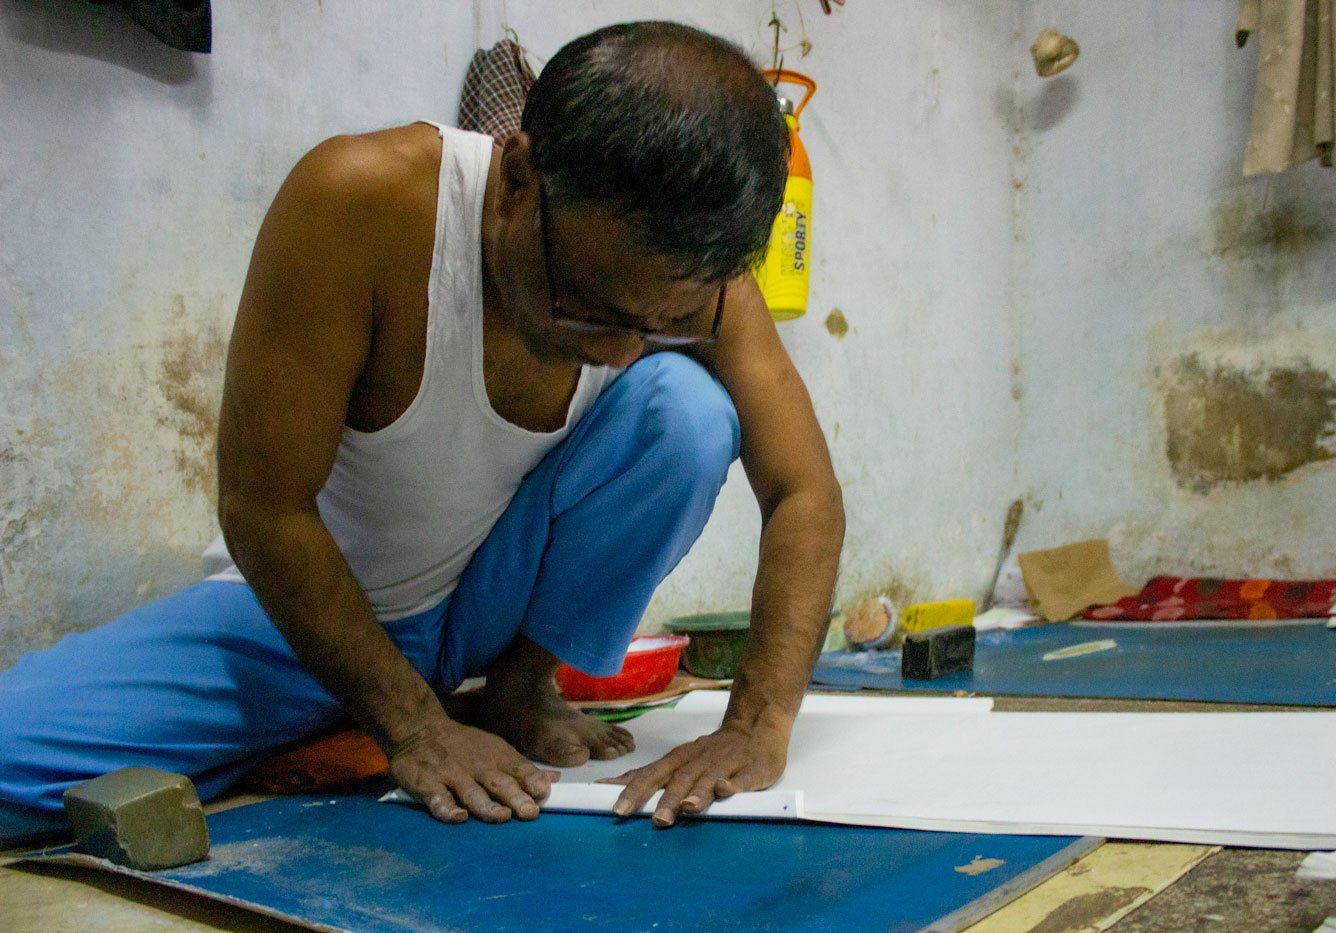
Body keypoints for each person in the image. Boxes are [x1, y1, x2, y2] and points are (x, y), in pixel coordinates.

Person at [0, 20, 844, 842]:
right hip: (308, 618)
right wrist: (412, 726)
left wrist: (757, 726)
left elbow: (804, 490)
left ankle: (516, 686)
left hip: (483, 608)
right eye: (586, 308)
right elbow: (264, 508)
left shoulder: (684, 283)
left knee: (688, 413)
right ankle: (363, 709)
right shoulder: (358, 202)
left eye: (658, 322)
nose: (620, 348)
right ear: (517, 174)